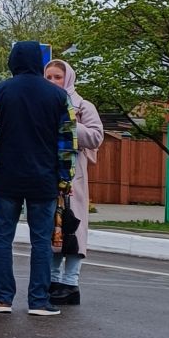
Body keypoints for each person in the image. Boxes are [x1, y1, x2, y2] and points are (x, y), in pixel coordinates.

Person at [0, 40, 77, 315]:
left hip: (7, 178)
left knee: (2, 238)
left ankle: (1, 298)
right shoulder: (59, 97)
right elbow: (68, 141)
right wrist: (64, 179)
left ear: (12, 61)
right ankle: (39, 301)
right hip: (44, 179)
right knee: (41, 241)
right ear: (38, 61)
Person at [44, 59, 104, 305]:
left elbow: (96, 136)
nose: (53, 82)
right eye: (48, 77)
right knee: (54, 230)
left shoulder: (82, 105)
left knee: (74, 228)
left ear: (67, 78)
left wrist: (70, 125)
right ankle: (54, 280)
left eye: (57, 77)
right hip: (49, 175)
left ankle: (71, 283)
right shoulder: (43, 104)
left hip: (73, 177)